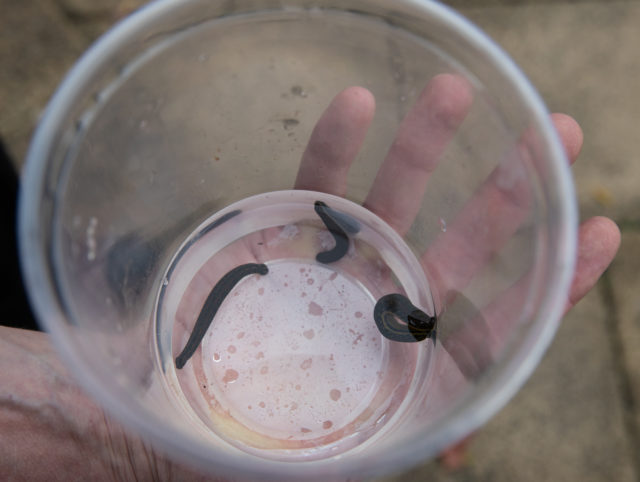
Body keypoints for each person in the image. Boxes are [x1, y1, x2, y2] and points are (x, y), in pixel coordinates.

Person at [0, 76, 621, 480]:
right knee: (82, 268)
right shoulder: (324, 253)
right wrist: (116, 429)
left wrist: (121, 435)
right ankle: (116, 267)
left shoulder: (366, 278)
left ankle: (114, 268)